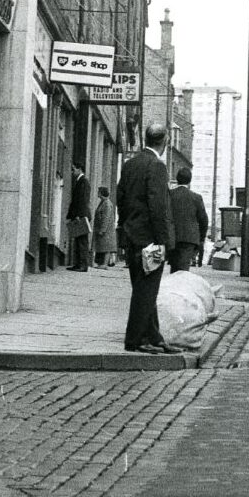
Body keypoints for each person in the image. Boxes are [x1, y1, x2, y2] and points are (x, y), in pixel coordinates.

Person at [116, 122, 177, 353]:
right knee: (146, 290)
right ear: (165, 141)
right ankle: (135, 340)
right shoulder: (157, 166)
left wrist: (125, 227)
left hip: (132, 235)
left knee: (143, 288)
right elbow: (158, 207)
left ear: (145, 139)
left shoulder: (130, 165)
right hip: (150, 239)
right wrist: (163, 240)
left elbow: (120, 197)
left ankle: (154, 336)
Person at [168, 166, 210, 272]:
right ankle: (181, 287)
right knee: (183, 268)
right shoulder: (196, 197)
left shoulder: (169, 195)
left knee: (174, 266)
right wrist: (201, 238)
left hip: (171, 237)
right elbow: (203, 220)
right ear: (189, 181)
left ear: (177, 179)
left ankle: (175, 286)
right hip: (189, 238)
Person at [66, 163, 92, 271]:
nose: (72, 172)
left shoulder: (84, 182)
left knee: (82, 241)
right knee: (78, 240)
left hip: (81, 215)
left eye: (73, 169)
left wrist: (78, 215)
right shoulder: (80, 181)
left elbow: (82, 200)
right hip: (79, 214)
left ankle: (83, 265)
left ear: (79, 169)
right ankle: (78, 264)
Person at [92, 185, 118, 268]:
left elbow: (106, 218)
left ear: (101, 193)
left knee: (106, 247)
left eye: (98, 192)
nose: (97, 193)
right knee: (102, 246)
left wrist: (102, 229)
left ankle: (104, 264)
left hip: (107, 230)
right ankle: (102, 263)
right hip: (104, 229)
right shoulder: (103, 202)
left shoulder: (107, 204)